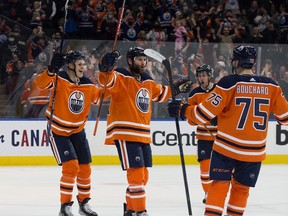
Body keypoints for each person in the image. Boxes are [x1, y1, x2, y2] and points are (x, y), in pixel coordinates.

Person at [167, 45, 288, 216]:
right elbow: (285, 118)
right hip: (254, 153)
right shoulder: (272, 86)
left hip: (226, 149)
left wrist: (182, 109)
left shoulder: (228, 83)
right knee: (241, 190)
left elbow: (202, 114)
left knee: (219, 185)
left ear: (236, 61)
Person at [97, 46, 192, 216]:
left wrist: (176, 87)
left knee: (143, 177)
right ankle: (140, 211)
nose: (143, 62)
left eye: (144, 59)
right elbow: (106, 81)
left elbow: (160, 94)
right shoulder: (120, 75)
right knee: (136, 174)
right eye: (140, 59)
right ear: (130, 61)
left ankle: (131, 209)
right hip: (125, 131)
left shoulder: (147, 80)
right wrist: (105, 67)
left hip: (143, 134)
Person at [35, 50, 102, 216]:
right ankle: (65, 207)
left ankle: (84, 204)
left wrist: (108, 74)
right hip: (58, 130)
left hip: (78, 131)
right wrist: (51, 70)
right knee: (71, 166)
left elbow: (100, 97)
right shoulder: (59, 78)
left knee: (85, 168)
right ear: (71, 65)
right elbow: (40, 84)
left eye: (84, 64)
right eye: (79, 64)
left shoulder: (88, 84)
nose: (83, 67)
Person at [187, 64, 217, 204]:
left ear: (210, 76)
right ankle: (208, 193)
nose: (201, 78)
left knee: (226, 168)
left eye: (204, 75)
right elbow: (190, 118)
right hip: (203, 137)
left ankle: (222, 191)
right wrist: (194, 118)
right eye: (199, 76)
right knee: (205, 168)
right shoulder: (194, 94)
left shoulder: (219, 90)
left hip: (221, 137)